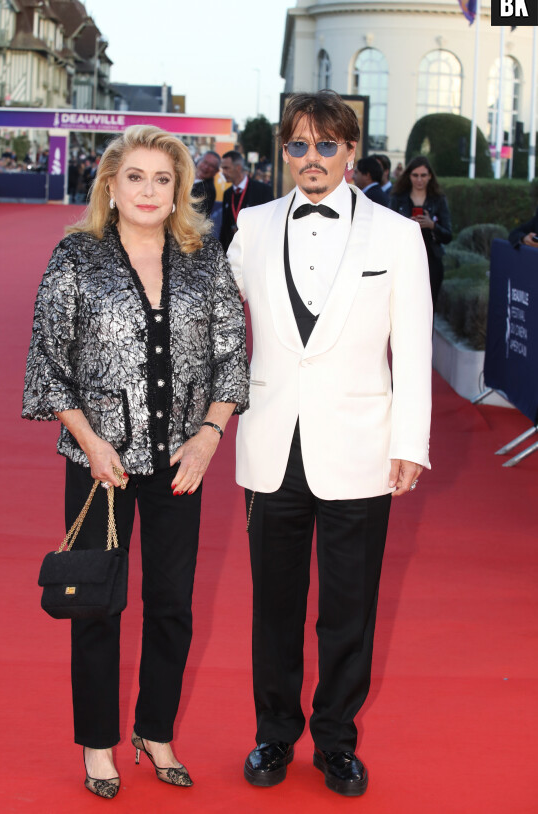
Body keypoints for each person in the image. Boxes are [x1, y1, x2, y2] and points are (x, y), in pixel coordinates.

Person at [23, 125, 249, 799]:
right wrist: (91, 443)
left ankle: (155, 730)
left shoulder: (205, 257)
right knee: (96, 606)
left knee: (173, 606)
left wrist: (210, 435)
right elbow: (47, 364)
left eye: (162, 178)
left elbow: (232, 356)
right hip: (103, 467)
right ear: (111, 187)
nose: (149, 190)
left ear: (179, 188)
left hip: (182, 461)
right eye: (135, 177)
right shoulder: (75, 258)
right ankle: (98, 744)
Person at [227, 90, 432, 798]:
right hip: (270, 446)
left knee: (350, 608)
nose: (310, 159)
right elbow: (217, 333)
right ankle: (274, 736)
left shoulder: (397, 235)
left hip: (363, 447)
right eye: (297, 146)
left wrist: (411, 440)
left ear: (349, 151)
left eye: (324, 145)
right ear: (283, 154)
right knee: (273, 608)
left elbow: (412, 345)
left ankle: (337, 743)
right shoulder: (249, 227)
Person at [389, 156, 452, 309]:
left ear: (430, 176)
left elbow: (448, 235)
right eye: (415, 175)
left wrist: (432, 225)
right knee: (403, 307)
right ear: (409, 176)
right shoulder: (398, 198)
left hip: (432, 259)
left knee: (428, 308)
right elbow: (388, 229)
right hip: (404, 259)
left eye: (423, 175)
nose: (419, 180)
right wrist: (406, 224)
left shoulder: (438, 200)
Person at [219, 150, 273, 251]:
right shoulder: (227, 194)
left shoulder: (262, 190)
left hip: (256, 251)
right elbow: (224, 228)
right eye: (222, 168)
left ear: (238, 168)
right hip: (233, 253)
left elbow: (270, 223)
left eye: (226, 168)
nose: (223, 172)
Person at [190, 150, 220, 217]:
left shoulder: (207, 191)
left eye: (211, 166)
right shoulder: (185, 176)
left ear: (216, 171)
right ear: (199, 161)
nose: (206, 167)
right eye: (205, 162)